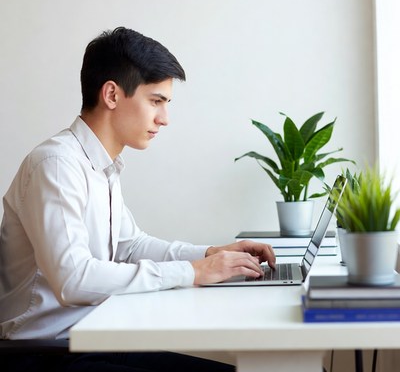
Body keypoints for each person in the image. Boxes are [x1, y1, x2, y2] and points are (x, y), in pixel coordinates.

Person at [0, 27, 276, 371]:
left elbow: (131, 245)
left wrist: (211, 254)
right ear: (112, 95)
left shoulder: (103, 165)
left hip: (95, 336)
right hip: (45, 353)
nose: (164, 118)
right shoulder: (57, 165)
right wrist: (192, 272)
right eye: (156, 101)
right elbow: (73, 279)